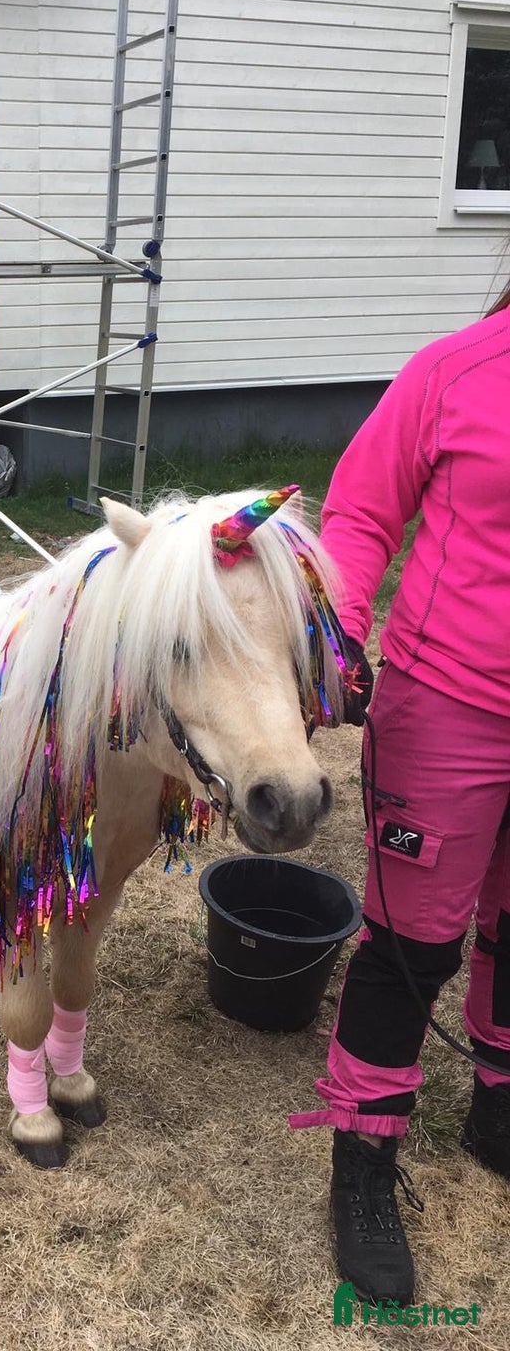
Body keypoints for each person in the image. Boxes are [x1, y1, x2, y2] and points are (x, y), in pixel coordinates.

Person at [289, 278, 510, 1307]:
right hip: (450, 705)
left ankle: (498, 1105)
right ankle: (365, 1164)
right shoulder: (454, 372)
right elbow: (363, 516)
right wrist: (338, 645)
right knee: (413, 942)